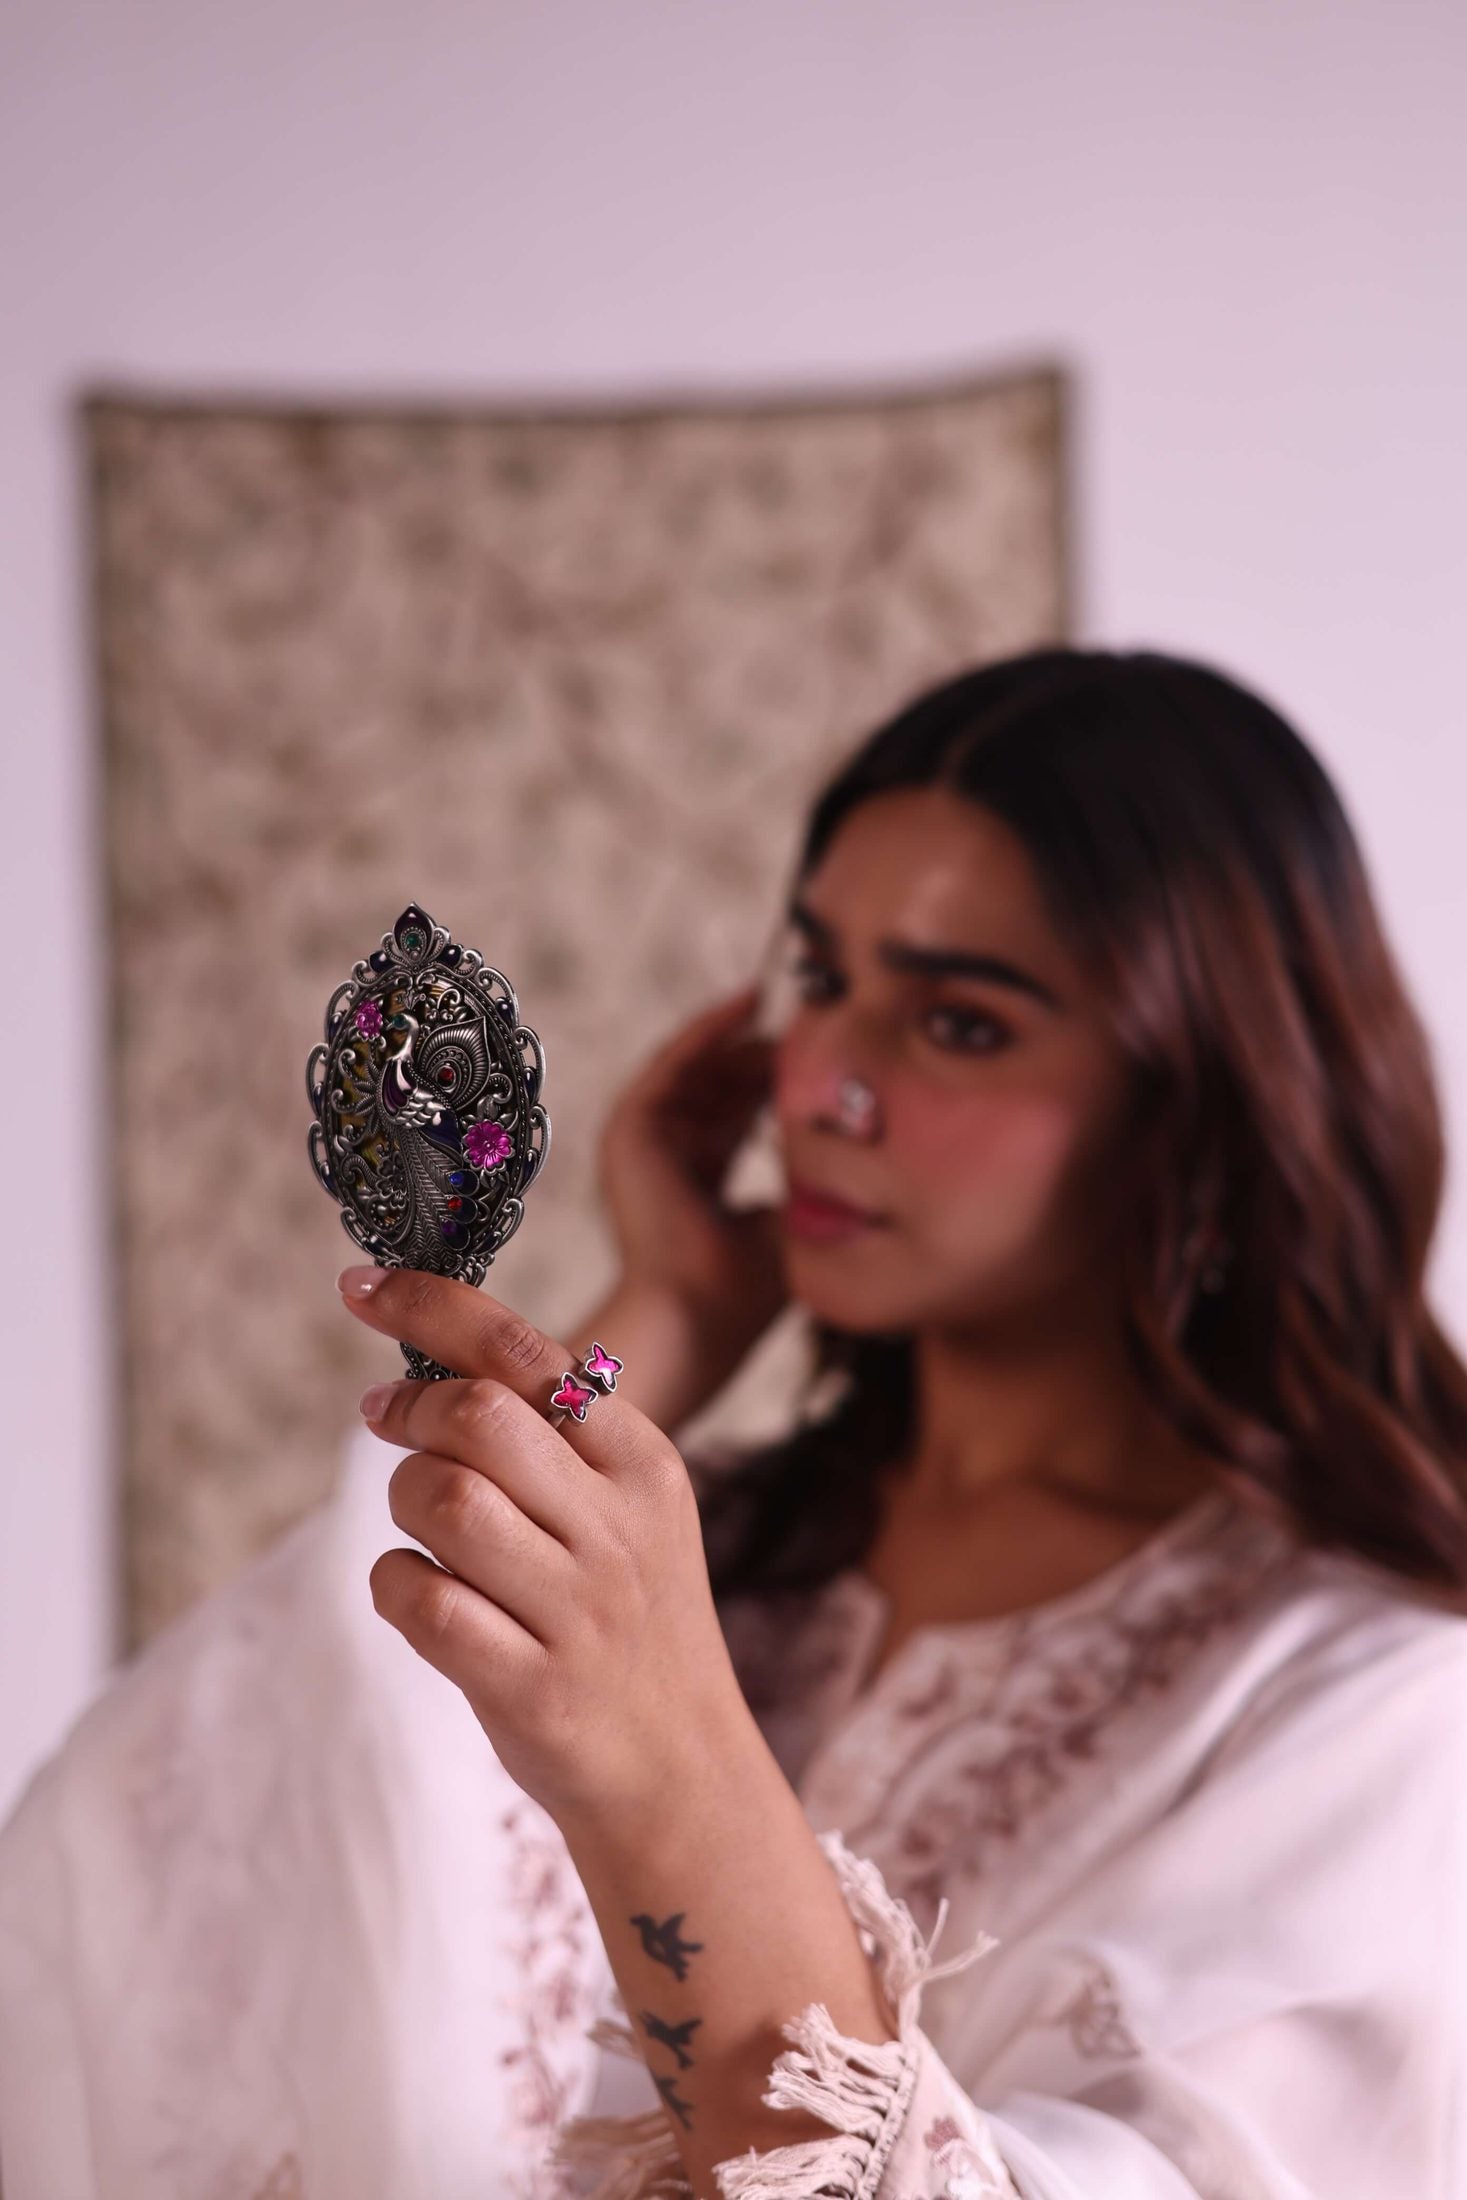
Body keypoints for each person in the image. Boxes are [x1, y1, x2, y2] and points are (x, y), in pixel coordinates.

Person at [1, 647, 1464, 2199]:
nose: (824, 1083)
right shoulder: (743, 1549)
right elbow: (185, 1815)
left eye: (960, 1022)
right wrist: (672, 1316)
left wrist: (666, 1771)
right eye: (822, 980)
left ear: (1205, 1101)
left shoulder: (1374, 1700)